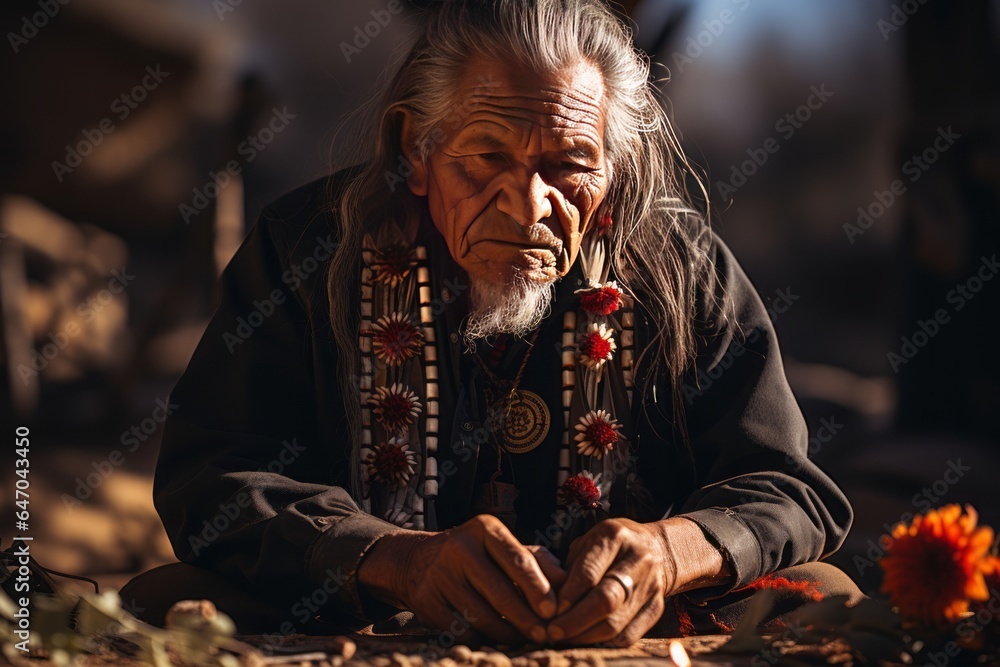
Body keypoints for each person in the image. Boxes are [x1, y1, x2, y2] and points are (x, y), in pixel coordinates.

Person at [123, 0, 860, 647]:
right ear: (416, 150)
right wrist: (393, 560)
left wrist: (670, 552)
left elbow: (789, 488)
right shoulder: (310, 247)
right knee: (167, 600)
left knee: (823, 595)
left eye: (570, 163)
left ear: (617, 170)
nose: (529, 204)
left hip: (624, 629)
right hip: (362, 622)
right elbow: (211, 475)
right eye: (488, 156)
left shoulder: (681, 266)